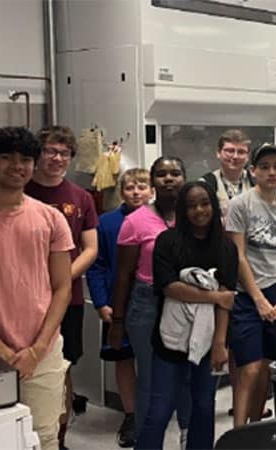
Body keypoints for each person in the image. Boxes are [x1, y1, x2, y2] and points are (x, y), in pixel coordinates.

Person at [0, 127, 73, 450]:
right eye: (7, 158)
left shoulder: (50, 218)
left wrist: (36, 349)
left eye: (26, 159)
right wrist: (4, 353)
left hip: (41, 350)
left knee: (43, 436)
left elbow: (61, 288)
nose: (18, 166)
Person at [136, 181, 238, 449]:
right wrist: (213, 296)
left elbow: (227, 300)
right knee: (159, 410)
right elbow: (170, 287)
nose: (199, 210)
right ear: (182, 210)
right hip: (170, 341)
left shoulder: (226, 247)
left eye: (204, 203)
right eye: (191, 206)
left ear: (214, 206)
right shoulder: (167, 241)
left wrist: (219, 344)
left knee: (204, 407)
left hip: (209, 342)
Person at [107, 157, 191, 445]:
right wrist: (117, 323)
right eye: (162, 174)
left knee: (187, 377)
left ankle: (186, 436)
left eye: (175, 173)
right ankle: (146, 442)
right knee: (152, 381)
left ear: (184, 178)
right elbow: (123, 275)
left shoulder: (196, 215)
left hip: (188, 303)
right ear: (153, 181)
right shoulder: (135, 221)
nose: (169, 179)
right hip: (147, 303)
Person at [25, 125, 99, 447]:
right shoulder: (21, 192)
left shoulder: (80, 198)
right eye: (50, 151)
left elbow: (91, 249)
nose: (57, 158)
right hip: (23, 300)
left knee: (62, 369)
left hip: (68, 299)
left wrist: (60, 279)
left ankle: (58, 436)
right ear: (38, 155)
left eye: (64, 153)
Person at [226, 144, 276, 428]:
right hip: (247, 295)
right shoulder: (240, 205)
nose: (271, 172)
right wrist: (257, 299)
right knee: (249, 368)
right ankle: (238, 434)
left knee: (266, 368)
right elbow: (239, 255)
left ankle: (256, 428)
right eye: (265, 167)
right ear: (253, 171)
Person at [86, 168, 152, 447]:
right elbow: (97, 267)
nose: (136, 192)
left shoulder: (163, 220)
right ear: (122, 192)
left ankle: (153, 412)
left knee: (154, 361)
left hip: (153, 304)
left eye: (142, 187)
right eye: (130, 188)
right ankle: (131, 415)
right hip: (118, 305)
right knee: (124, 359)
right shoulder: (107, 223)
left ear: (151, 191)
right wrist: (102, 303)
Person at [202, 129, 254, 216]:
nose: (235, 156)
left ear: (247, 157)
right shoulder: (205, 184)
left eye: (241, 152)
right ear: (218, 153)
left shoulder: (256, 182)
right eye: (230, 151)